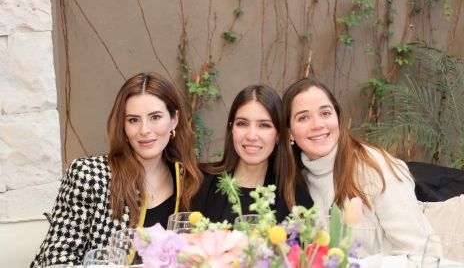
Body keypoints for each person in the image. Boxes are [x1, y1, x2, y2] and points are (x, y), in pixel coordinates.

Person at [31, 72, 202, 267]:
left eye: (155, 117)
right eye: (133, 120)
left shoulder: (188, 178)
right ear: (123, 126)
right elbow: (55, 261)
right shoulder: (89, 175)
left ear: (174, 119)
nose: (144, 130)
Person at [282, 78, 434, 255]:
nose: (318, 124)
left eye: (325, 113)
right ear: (289, 133)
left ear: (338, 119)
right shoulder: (295, 184)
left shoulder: (376, 168)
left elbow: (419, 251)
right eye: (303, 118)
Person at [191, 85, 313, 223]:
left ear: (278, 134)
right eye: (242, 124)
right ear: (232, 128)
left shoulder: (295, 198)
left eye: (264, 125)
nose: (251, 136)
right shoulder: (198, 182)